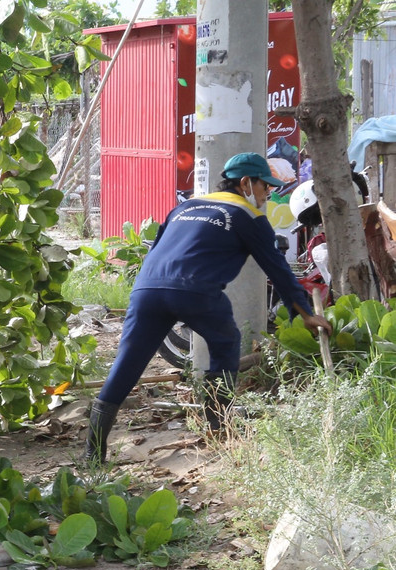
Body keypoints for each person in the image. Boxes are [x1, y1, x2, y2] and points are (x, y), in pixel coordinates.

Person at [86, 152, 333, 464]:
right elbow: (277, 269)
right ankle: (219, 427)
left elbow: (158, 247)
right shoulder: (249, 216)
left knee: (127, 364)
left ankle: (92, 453)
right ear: (246, 183)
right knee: (227, 341)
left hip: (146, 289)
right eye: (264, 188)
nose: (267, 194)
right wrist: (305, 314)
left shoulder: (184, 206)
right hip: (195, 290)